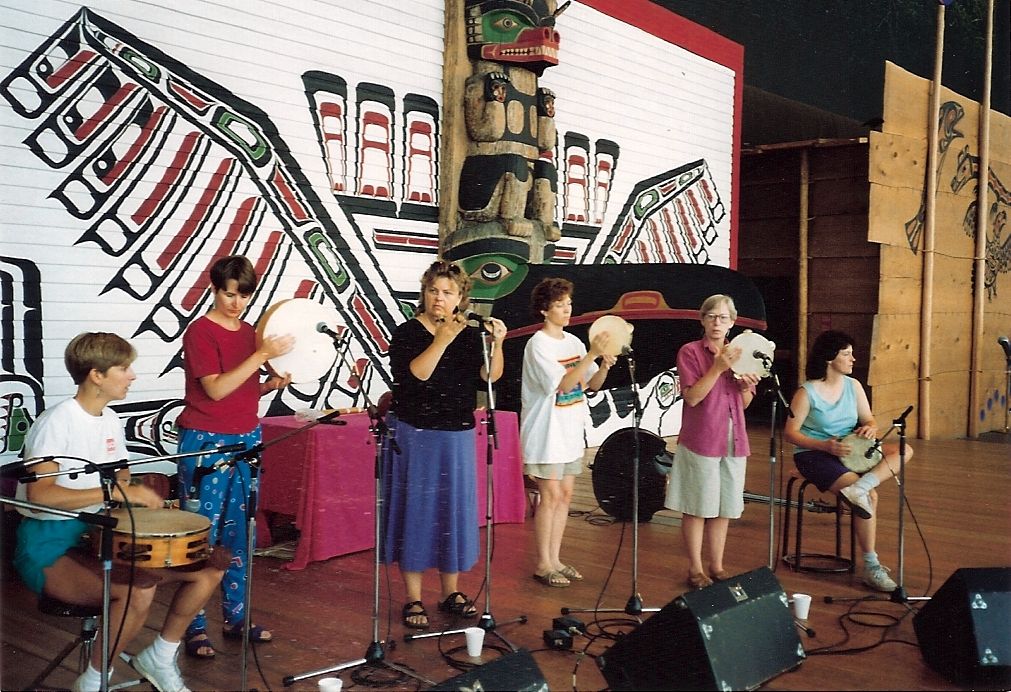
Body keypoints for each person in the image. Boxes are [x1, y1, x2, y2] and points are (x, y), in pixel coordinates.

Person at [13, 332, 224, 692]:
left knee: (211, 566)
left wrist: (144, 500)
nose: (132, 375)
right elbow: (41, 494)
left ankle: (160, 656)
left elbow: (121, 479)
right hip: (50, 544)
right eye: (124, 368)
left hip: (102, 535)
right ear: (96, 375)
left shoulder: (110, 419)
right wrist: (115, 491)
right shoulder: (56, 421)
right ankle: (94, 680)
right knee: (136, 591)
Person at [176, 255, 294, 657]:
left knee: (239, 534)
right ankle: (192, 626)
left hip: (246, 438)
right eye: (229, 294)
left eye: (244, 296)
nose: (237, 303)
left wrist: (269, 385)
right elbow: (215, 390)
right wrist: (260, 357)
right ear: (214, 289)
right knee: (201, 535)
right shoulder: (200, 332)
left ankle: (236, 617)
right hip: (205, 441)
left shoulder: (248, 333)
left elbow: (239, 389)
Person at [381, 259, 507, 629]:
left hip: (457, 434)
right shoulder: (407, 333)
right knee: (417, 513)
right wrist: (442, 339)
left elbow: (490, 377)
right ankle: (413, 597)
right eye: (433, 291)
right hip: (417, 434)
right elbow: (417, 375)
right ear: (423, 293)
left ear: (461, 299)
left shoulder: (469, 334)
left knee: (452, 513)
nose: (439, 298)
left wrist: (497, 344)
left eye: (448, 292)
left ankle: (450, 591)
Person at [784, 330, 914, 592]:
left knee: (904, 450)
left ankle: (860, 487)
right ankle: (871, 566)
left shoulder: (853, 386)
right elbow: (790, 433)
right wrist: (825, 446)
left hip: (848, 448)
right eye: (847, 354)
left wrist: (870, 428)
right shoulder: (806, 392)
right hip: (815, 453)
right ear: (830, 358)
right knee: (870, 498)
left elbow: (869, 420)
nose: (853, 359)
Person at [520, 278, 615, 587]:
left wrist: (603, 365)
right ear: (544, 310)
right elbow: (562, 385)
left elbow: (591, 385)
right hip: (546, 435)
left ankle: (556, 559)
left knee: (565, 496)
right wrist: (591, 355)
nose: (567, 310)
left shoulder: (573, 342)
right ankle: (543, 564)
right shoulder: (538, 344)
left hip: (570, 434)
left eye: (569, 304)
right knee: (549, 497)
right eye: (560, 305)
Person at [664, 295, 760, 590]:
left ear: (733, 322)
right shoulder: (690, 352)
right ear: (702, 320)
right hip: (702, 438)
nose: (717, 323)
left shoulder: (741, 352)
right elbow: (693, 397)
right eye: (712, 317)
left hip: (734, 438)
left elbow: (744, 403)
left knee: (725, 505)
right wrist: (717, 368)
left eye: (723, 318)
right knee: (697, 506)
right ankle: (695, 568)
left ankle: (717, 566)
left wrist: (745, 387)